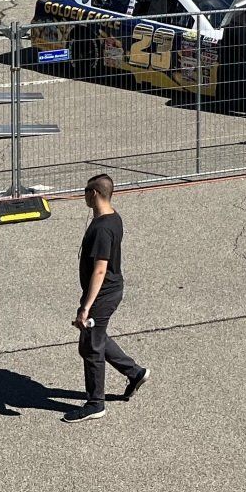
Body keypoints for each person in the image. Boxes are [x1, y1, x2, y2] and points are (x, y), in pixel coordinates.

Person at [69, 173, 145, 423]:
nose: (84, 197)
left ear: (94, 194)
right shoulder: (112, 217)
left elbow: (100, 269)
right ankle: (134, 373)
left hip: (103, 294)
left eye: (85, 192)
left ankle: (95, 403)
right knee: (94, 338)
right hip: (108, 291)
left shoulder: (102, 229)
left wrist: (86, 307)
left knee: (91, 347)